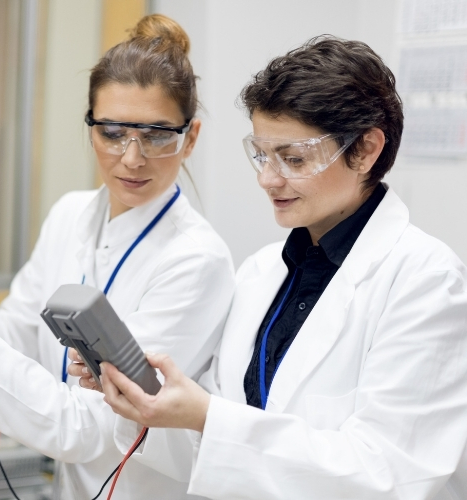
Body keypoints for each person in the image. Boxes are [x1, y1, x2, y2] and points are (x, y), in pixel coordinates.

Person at [79, 36, 467, 499]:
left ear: (365, 150)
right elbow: (217, 454)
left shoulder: (426, 281)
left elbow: (388, 476)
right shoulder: (262, 273)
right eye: (262, 155)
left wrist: (206, 415)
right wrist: (150, 404)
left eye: (294, 158)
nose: (267, 179)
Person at [0, 14, 235, 499]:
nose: (132, 158)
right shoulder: (70, 215)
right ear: (90, 127)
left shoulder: (197, 260)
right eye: (113, 132)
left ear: (190, 137)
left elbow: (91, 426)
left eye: (157, 135)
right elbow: (18, 345)